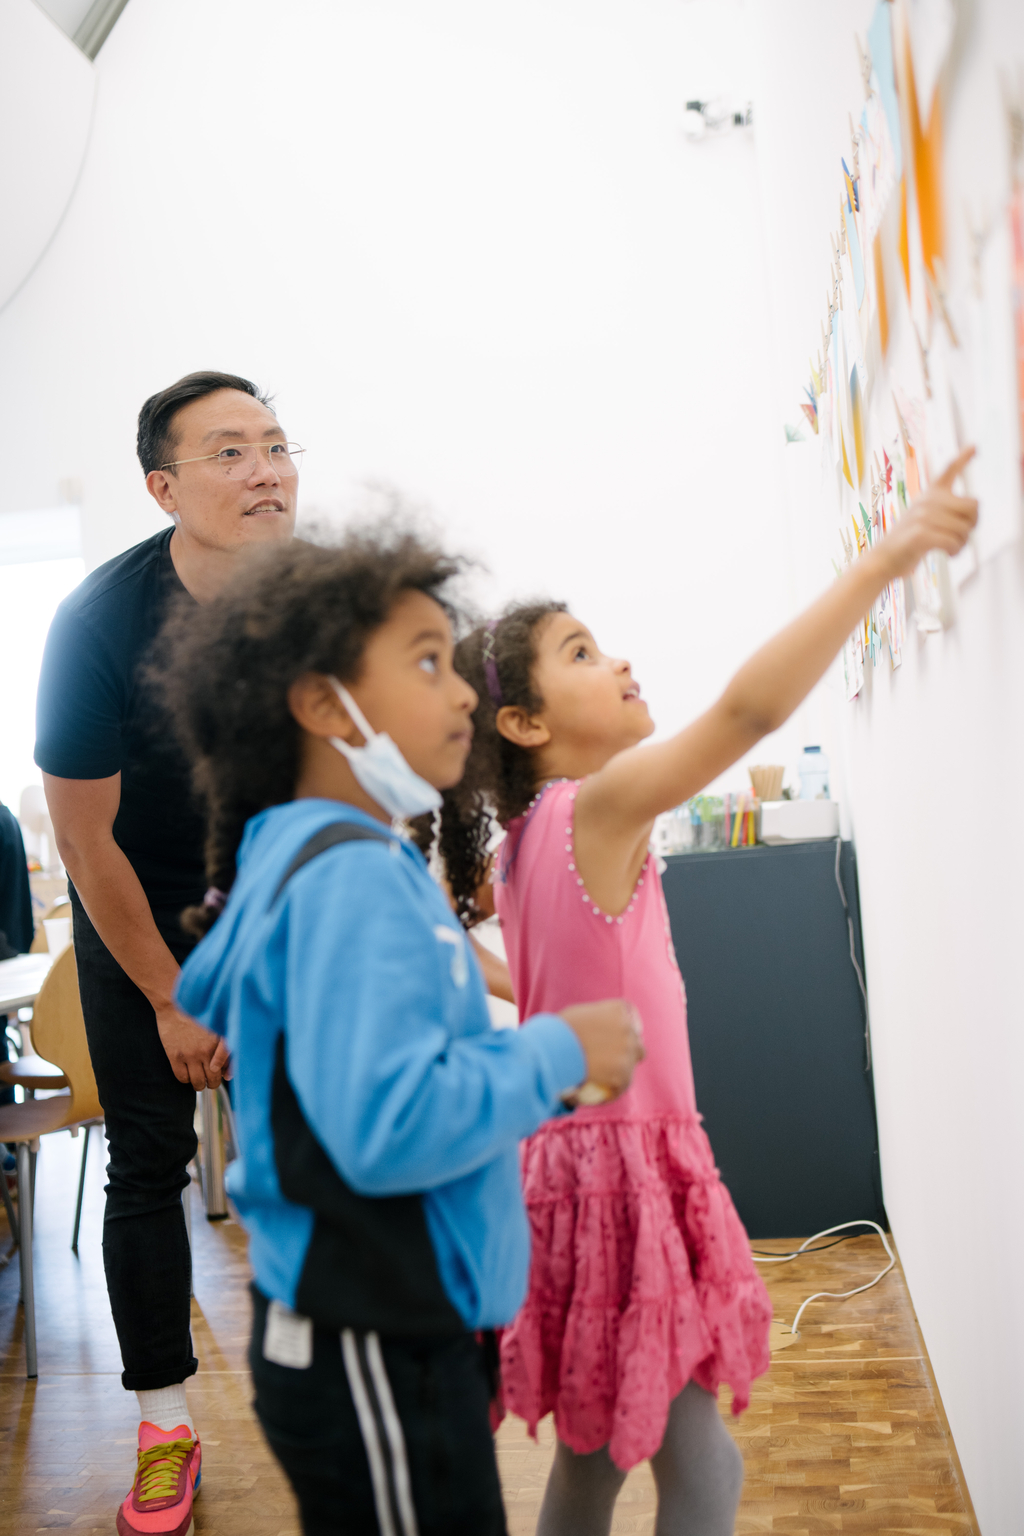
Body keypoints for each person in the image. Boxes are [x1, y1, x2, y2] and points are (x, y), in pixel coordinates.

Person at [429, 449, 979, 1536]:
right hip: (621, 1181)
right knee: (700, 1472)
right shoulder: (593, 808)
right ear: (525, 725)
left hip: (578, 1174)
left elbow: (538, 995)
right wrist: (882, 561)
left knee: (598, 1461)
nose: (620, 659)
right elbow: (747, 712)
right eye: (583, 653)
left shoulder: (529, 838)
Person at [150, 527, 644, 1536]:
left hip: (386, 1331)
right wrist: (556, 1051)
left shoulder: (338, 859)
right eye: (426, 662)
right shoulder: (349, 880)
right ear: (327, 706)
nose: (462, 693)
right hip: (371, 1340)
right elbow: (390, 1124)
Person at [34, 371, 299, 1536]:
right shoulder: (97, 625)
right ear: (163, 488)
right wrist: (171, 997)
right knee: (148, 1166)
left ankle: (343, 1389)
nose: (267, 471)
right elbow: (83, 842)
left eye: (277, 445)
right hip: (136, 908)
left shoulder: (322, 602)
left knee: (323, 1152)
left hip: (278, 904)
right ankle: (163, 1430)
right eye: (230, 452)